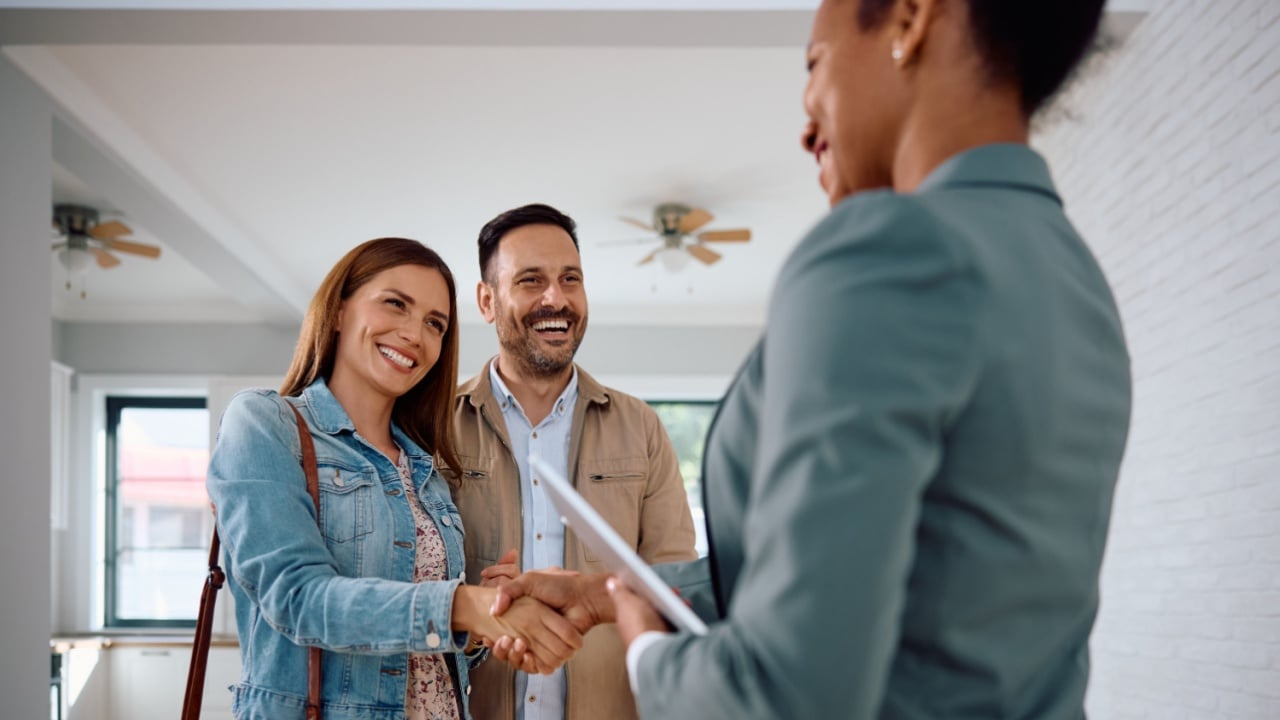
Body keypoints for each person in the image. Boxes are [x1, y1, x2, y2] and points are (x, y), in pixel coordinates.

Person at [490, 0, 1133, 717]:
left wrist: (651, 656)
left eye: (815, 65)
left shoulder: (881, 250)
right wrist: (609, 593)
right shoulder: (1073, 275)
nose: (805, 126)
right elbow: (917, 577)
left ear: (913, 19)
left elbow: (786, 692)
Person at [206, 237, 582, 720]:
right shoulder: (264, 423)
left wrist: (484, 624)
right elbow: (297, 598)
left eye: (434, 324)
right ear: (339, 311)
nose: (413, 333)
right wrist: (467, 605)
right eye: (395, 304)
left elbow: (429, 652)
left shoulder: (424, 467)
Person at [448, 204, 697, 720]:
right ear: (487, 300)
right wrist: (475, 606)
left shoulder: (642, 428)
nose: (555, 299)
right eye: (531, 280)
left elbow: (677, 586)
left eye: (570, 279)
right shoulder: (434, 427)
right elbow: (409, 584)